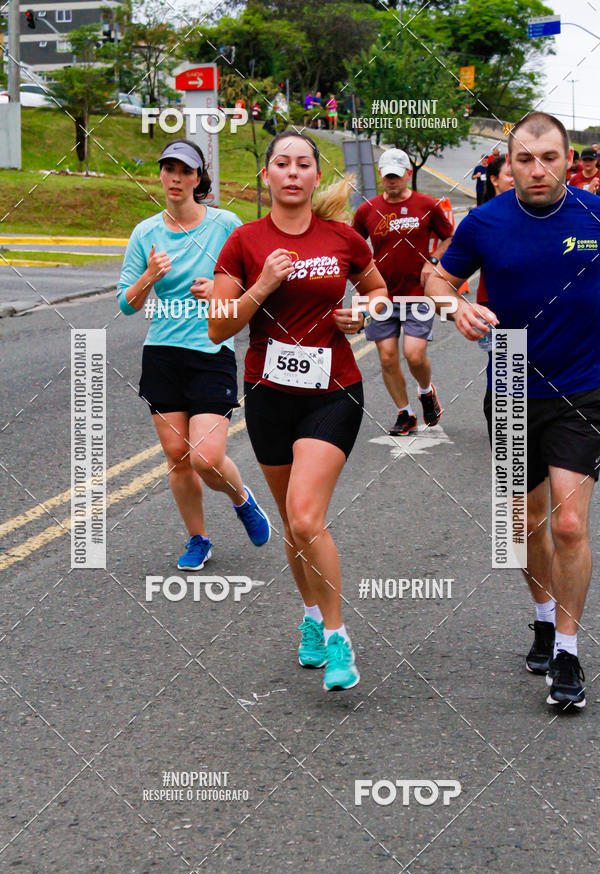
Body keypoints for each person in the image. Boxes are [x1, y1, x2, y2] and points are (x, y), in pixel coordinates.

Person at [426, 111, 600, 711]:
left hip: (584, 388)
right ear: (509, 163)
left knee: (569, 524)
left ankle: (569, 653)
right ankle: (545, 618)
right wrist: (457, 308)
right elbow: (436, 280)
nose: (537, 169)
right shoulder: (485, 222)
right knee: (522, 525)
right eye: (525, 159)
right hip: (512, 382)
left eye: (549, 157)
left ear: (568, 160)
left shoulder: (594, 215)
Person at [209, 132, 388, 691]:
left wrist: (363, 314)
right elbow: (218, 325)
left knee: (308, 517)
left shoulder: (342, 237)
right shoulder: (243, 241)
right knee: (292, 523)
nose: (292, 172)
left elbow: (378, 291)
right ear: (266, 176)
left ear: (314, 176)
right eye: (282, 164)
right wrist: (263, 284)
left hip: (334, 390)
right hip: (268, 395)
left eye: (303, 164)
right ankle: (311, 617)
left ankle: (338, 637)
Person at [117, 139, 271, 571]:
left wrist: (219, 292)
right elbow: (126, 304)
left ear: (198, 178)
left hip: (210, 351)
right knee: (177, 457)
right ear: (160, 175)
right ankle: (198, 539)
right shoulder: (145, 233)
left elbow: (255, 282)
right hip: (162, 355)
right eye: (169, 169)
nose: (176, 178)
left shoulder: (225, 224)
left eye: (185, 171)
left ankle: (242, 499)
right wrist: (149, 276)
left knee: (205, 457)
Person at [353, 148, 453, 435]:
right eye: (387, 176)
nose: (392, 181)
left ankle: (425, 391)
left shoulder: (426, 205)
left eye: (397, 176)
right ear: (380, 176)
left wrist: (433, 260)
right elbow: (352, 247)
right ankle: (405, 413)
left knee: (414, 353)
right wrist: (362, 280)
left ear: (408, 174)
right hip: (382, 295)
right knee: (387, 357)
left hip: (417, 294)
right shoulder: (367, 210)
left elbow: (449, 236)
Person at [475, 153, 514, 309]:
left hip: (529, 302)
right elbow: (445, 277)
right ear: (494, 180)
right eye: (511, 175)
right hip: (492, 301)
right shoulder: (480, 218)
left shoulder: (534, 213)